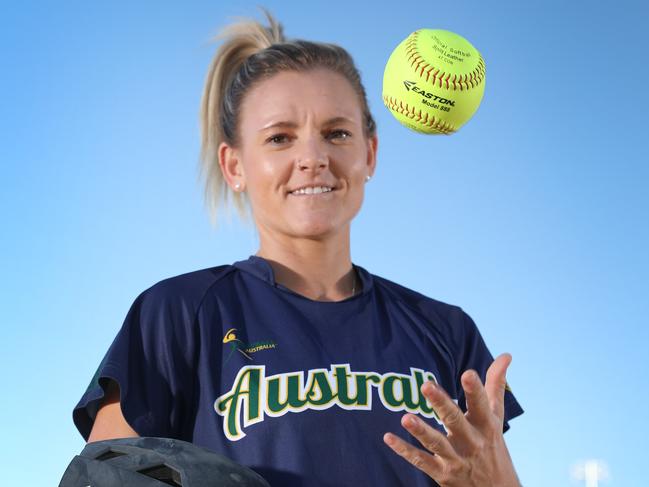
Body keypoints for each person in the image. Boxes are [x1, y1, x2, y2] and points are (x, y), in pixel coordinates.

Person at [72, 7, 524, 487]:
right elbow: (105, 476)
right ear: (235, 166)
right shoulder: (177, 314)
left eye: (337, 133)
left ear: (369, 153)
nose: (312, 157)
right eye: (280, 138)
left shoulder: (447, 330)